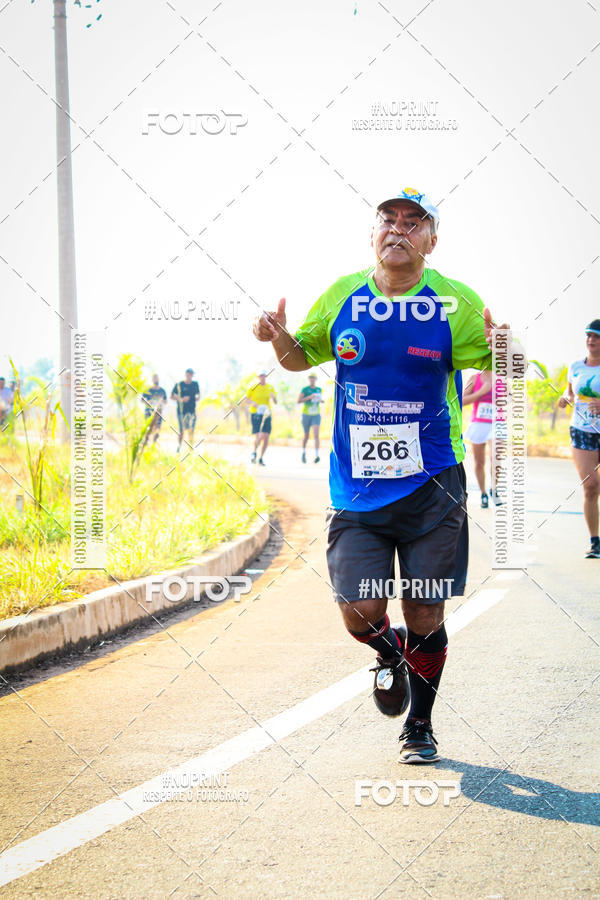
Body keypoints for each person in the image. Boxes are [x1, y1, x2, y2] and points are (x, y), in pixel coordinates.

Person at [253, 186, 525, 763]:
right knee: (359, 612)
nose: (398, 228)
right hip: (357, 488)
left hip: (434, 485)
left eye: (413, 221)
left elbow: (513, 366)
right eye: (388, 219)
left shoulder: (454, 302)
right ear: (372, 234)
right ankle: (387, 651)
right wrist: (278, 338)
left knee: (425, 610)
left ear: (432, 239)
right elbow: (301, 355)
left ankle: (419, 726)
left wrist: (503, 345)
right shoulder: (342, 296)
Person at [558, 319, 600, 559]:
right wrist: (565, 398)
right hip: (581, 430)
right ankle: (595, 541)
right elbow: (570, 392)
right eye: (588, 336)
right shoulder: (576, 366)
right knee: (591, 486)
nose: (591, 340)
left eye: (596, 336)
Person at [463, 370, 506, 508]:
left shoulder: (502, 378)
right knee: (479, 461)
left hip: (497, 422)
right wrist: (480, 392)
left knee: (496, 457)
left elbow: (509, 398)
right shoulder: (475, 379)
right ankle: (483, 493)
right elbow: (461, 401)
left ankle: (494, 488)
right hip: (478, 424)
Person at [246, 370, 277, 465]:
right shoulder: (253, 387)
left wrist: (273, 397)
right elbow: (247, 399)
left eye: (264, 376)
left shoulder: (270, 387)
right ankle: (254, 452)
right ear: (258, 377)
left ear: (266, 376)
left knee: (266, 437)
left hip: (266, 413)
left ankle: (261, 457)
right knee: (259, 436)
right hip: (256, 413)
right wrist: (252, 403)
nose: (262, 377)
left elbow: (276, 402)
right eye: (260, 376)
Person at [171, 368, 200, 452]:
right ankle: (179, 447)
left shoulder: (195, 384)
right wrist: (181, 399)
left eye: (191, 374)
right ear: (186, 374)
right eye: (188, 374)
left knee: (191, 430)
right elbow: (172, 396)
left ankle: (190, 448)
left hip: (192, 411)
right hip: (181, 411)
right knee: (181, 430)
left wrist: (194, 398)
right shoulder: (179, 384)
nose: (190, 376)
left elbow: (198, 396)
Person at [298, 373, 323, 463]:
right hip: (306, 414)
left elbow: (322, 400)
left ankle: (317, 455)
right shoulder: (305, 389)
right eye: (310, 378)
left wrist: (320, 400)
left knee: (316, 435)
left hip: (316, 414)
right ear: (309, 379)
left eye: (313, 378)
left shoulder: (319, 389)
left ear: (315, 379)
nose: (312, 380)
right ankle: (303, 452)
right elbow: (299, 400)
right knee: (306, 435)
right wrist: (309, 397)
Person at [141, 374, 167, 444]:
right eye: (154, 378)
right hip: (149, 412)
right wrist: (149, 401)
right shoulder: (148, 390)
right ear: (152, 380)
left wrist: (160, 400)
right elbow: (142, 400)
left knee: (157, 429)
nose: (156, 379)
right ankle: (145, 444)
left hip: (158, 412)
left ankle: (154, 444)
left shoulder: (162, 391)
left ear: (158, 379)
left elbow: (165, 401)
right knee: (148, 429)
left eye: (157, 378)